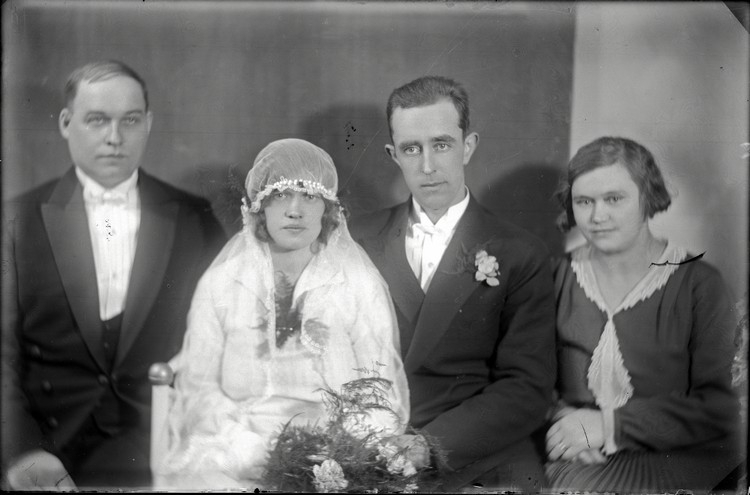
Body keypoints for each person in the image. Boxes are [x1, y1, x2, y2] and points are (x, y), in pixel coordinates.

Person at [1, 60, 226, 490]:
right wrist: (23, 452)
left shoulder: (195, 218)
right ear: (66, 123)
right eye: (97, 120)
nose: (115, 138)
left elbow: (221, 344)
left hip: (163, 447)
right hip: (44, 448)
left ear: (148, 124)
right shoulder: (14, 220)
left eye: (130, 120)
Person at [156, 138, 410, 489]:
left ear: (328, 209)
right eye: (280, 195)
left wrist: (331, 456)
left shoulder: (357, 284)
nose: (295, 210)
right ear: (259, 207)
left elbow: (381, 397)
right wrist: (253, 449)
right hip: (235, 453)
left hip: (334, 459)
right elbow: (200, 391)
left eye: (310, 196)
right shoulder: (222, 283)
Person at [351, 75, 557, 492]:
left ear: (468, 145)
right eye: (412, 149)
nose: (427, 166)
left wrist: (428, 446)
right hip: (371, 449)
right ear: (393, 154)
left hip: (474, 453)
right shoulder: (355, 239)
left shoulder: (520, 252)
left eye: (442, 145)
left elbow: (527, 389)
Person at [545, 136, 741, 493]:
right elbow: (530, 380)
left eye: (614, 199)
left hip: (681, 461)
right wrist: (563, 422)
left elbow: (719, 407)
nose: (597, 216)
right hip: (581, 460)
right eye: (584, 201)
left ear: (647, 198)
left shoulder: (699, 284)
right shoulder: (557, 277)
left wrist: (609, 427)